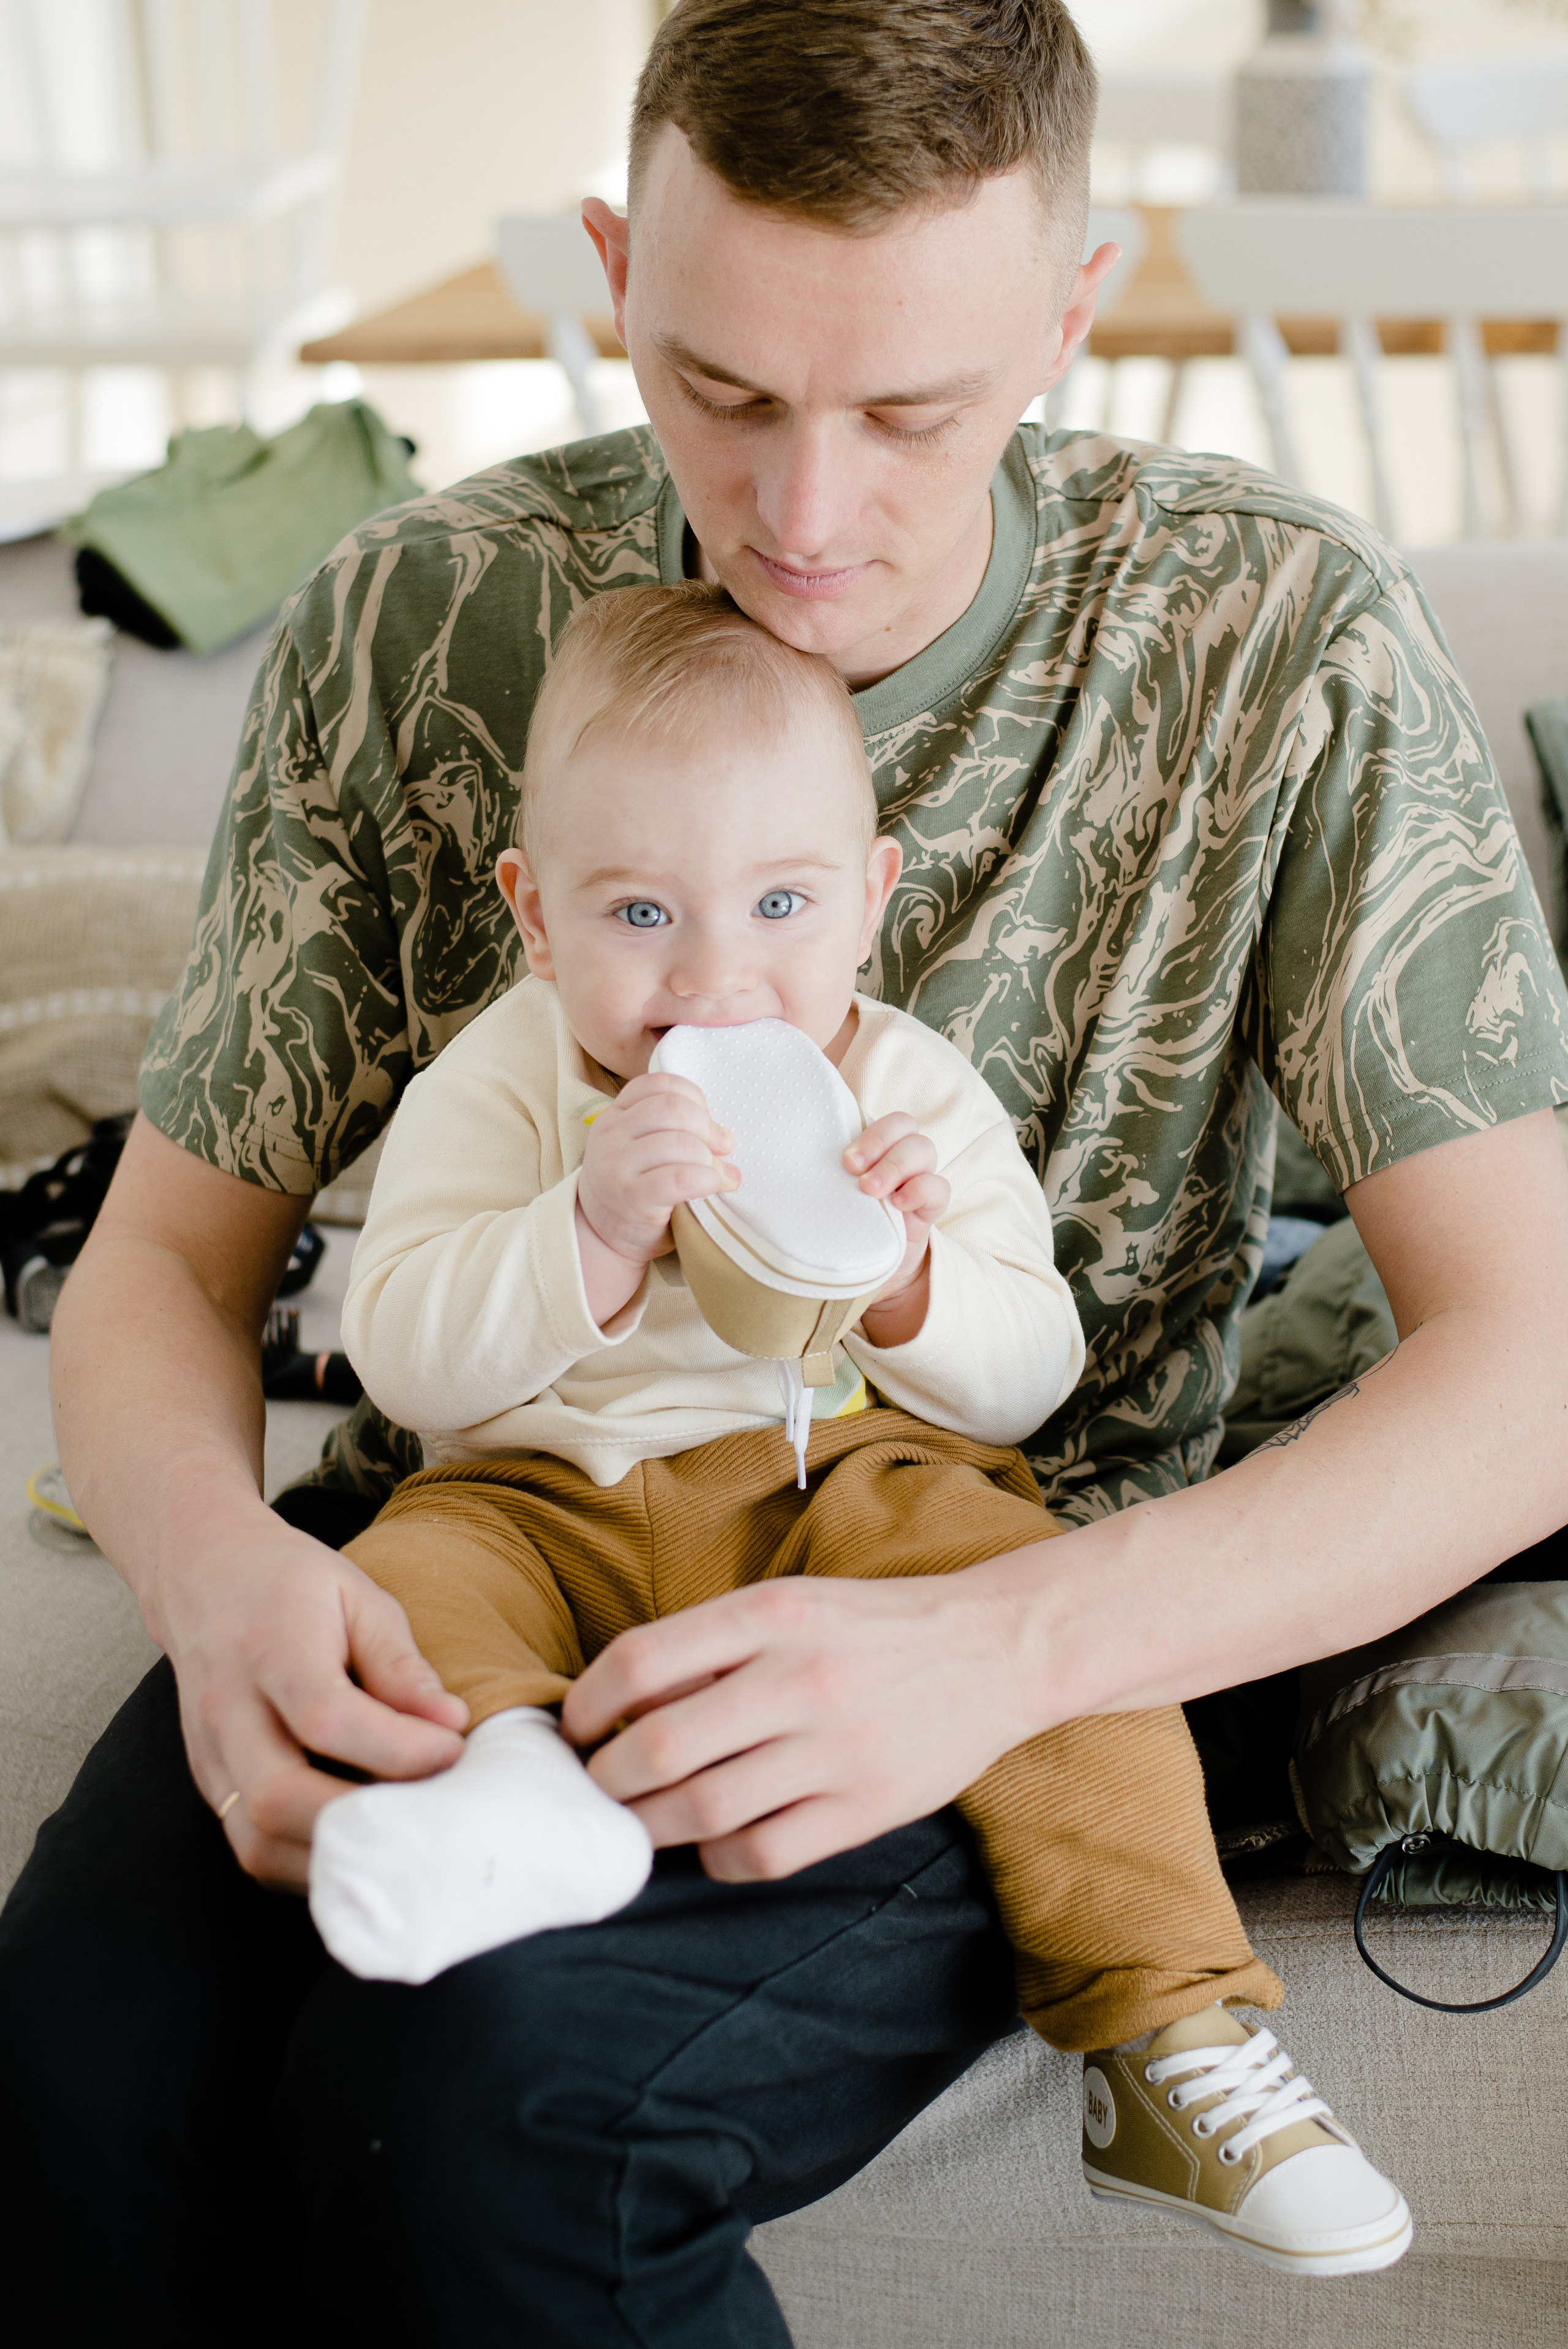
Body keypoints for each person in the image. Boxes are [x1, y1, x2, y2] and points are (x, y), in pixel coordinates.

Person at [4, 1, 1566, 2340]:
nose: (802, 517)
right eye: (720, 389)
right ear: (618, 268)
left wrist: (998, 1649)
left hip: (978, 1579)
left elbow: (1540, 1352)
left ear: (1071, 310)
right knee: (68, 2091)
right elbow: (164, 1263)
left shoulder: (1279, 640)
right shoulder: (418, 618)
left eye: (912, 412)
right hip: (502, 1530)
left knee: (496, 2105)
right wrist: (219, 1575)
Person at [308, 578, 1408, 2271]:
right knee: (405, 1582)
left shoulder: (899, 1086)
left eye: (777, 904)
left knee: (1046, 1606)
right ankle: (516, 1783)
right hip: (540, 1491)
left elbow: (1031, 1363)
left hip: (844, 1486)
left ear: (871, 898)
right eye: (639, 914)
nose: (720, 977)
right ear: (535, 915)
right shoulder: (505, 1082)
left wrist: (904, 1279)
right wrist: (585, 1234)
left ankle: (1170, 2031)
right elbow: (404, 1352)